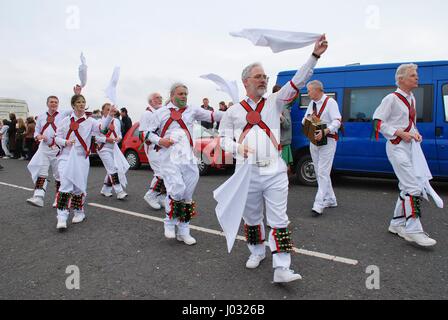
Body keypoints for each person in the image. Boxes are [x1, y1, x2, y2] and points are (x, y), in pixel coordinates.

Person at [217, 35, 328, 283]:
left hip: (274, 170)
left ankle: (282, 267)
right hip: (247, 173)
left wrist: (315, 55)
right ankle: (257, 251)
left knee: (279, 219)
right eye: (259, 76)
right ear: (246, 81)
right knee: (252, 218)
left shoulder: (275, 102)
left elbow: (298, 80)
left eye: (265, 77)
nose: (264, 79)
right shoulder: (233, 112)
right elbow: (222, 140)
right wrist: (237, 149)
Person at [146, 83, 223, 245]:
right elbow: (146, 133)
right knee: (177, 188)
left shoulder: (192, 110)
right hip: (168, 157)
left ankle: (184, 231)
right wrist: (160, 140)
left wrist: (235, 112)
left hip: (187, 157)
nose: (184, 96)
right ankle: (169, 222)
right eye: (180, 93)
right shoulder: (160, 113)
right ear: (172, 94)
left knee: (187, 194)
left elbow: (213, 116)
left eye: (186, 94)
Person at [372, 64, 440, 247]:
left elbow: (409, 123)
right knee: (414, 187)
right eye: (412, 75)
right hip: (396, 147)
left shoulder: (411, 98)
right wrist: (400, 133)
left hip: (409, 147)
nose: (416, 78)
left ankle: (397, 224)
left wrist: (415, 133)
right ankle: (413, 229)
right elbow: (377, 123)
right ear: (400, 79)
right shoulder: (391, 99)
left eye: (416, 75)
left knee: (406, 186)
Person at [54, 93, 116, 231]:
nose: (82, 104)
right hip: (66, 156)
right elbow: (57, 138)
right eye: (79, 102)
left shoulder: (91, 121)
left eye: (83, 102)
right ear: (73, 105)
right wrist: (66, 142)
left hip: (82, 157)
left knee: (78, 186)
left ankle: (79, 212)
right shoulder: (65, 121)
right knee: (65, 184)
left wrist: (110, 115)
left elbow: (102, 129)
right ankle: (62, 216)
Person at [26, 93, 75, 208]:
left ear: (58, 104)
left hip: (57, 149)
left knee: (58, 175)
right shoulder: (41, 116)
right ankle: (38, 197)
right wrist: (38, 136)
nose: (53, 104)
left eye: (56, 102)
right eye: (51, 102)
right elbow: (37, 131)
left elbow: (74, 107)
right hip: (44, 148)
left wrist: (77, 93)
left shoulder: (63, 114)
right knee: (41, 172)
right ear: (47, 103)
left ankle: (59, 198)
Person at [301, 80, 341, 215]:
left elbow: (337, 121)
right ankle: (331, 199)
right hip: (314, 140)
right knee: (319, 171)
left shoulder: (330, 102)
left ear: (317, 90)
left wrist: (325, 130)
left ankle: (318, 204)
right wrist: (311, 121)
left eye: (309, 90)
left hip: (328, 141)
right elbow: (304, 119)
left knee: (323, 172)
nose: (307, 93)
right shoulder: (312, 104)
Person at [95, 103, 129, 200]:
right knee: (112, 168)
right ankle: (119, 191)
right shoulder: (99, 122)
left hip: (114, 148)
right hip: (103, 148)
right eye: (107, 109)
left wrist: (119, 138)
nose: (110, 111)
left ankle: (105, 189)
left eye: (111, 109)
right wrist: (106, 140)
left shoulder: (117, 121)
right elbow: (95, 137)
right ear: (103, 111)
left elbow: (119, 134)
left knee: (115, 168)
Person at [140, 92, 166, 210]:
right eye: (156, 98)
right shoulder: (147, 114)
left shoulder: (160, 112)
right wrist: (156, 140)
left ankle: (160, 197)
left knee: (166, 172)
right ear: (150, 101)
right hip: (153, 148)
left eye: (160, 97)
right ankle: (150, 195)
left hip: (162, 147)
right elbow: (143, 133)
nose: (159, 99)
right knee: (160, 173)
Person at [273, 85, 294, 176]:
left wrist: (280, 116)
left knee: (285, 166)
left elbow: (287, 125)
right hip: (274, 141)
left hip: (283, 142)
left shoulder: (284, 107)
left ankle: (284, 184)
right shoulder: (272, 106)